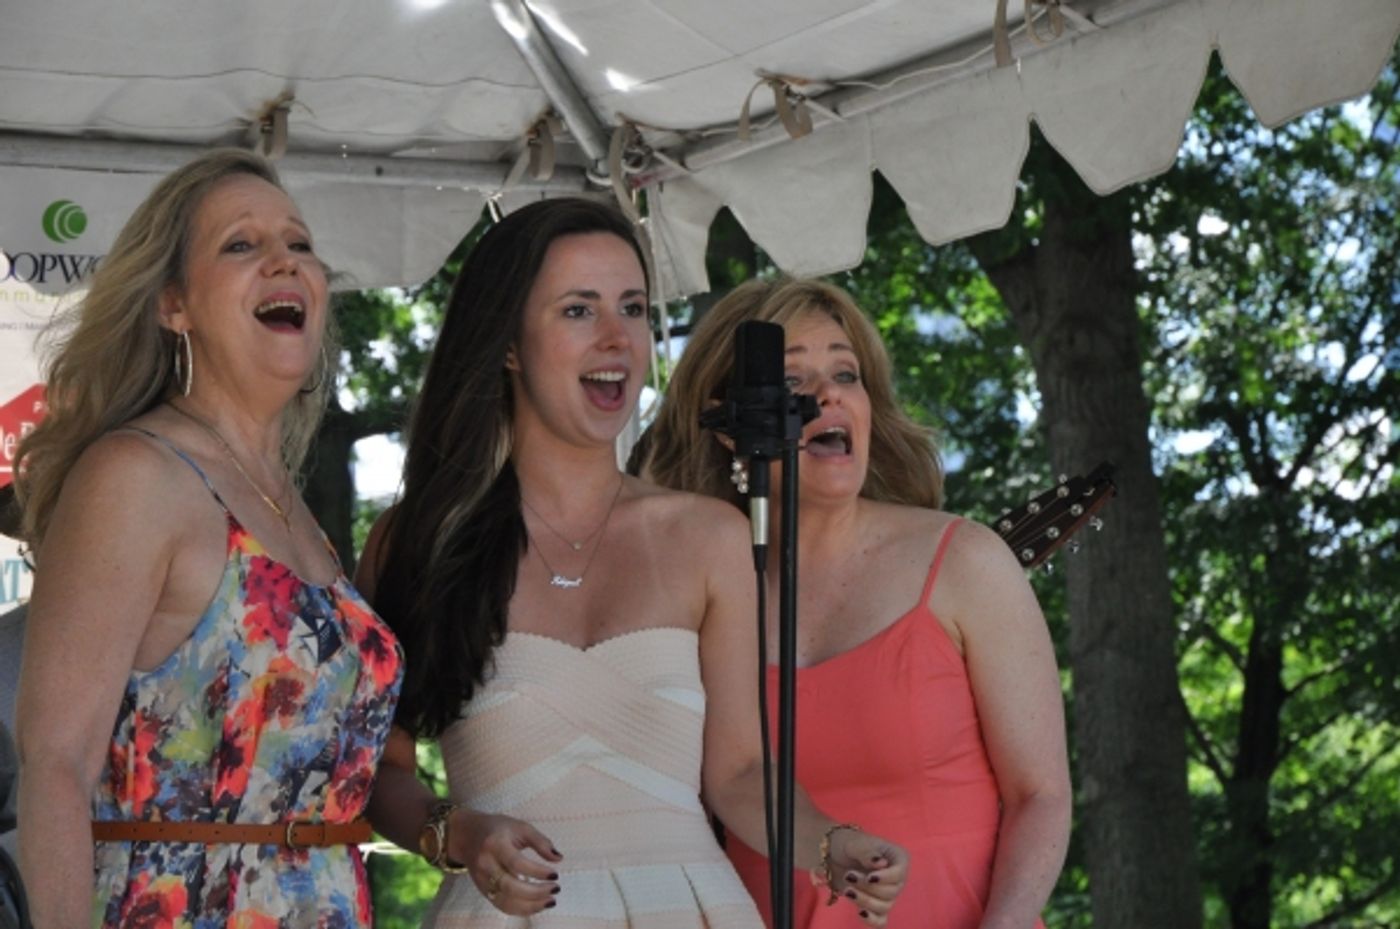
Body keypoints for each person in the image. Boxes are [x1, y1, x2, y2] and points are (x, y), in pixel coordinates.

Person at [360, 199, 909, 927]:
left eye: (634, 307)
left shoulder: (708, 535)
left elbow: (741, 773)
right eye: (579, 311)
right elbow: (372, 770)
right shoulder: (418, 540)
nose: (618, 337)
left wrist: (832, 842)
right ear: (510, 344)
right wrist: (456, 833)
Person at [12, 149, 403, 928]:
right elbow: (53, 767)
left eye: (298, 244)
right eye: (242, 244)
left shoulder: (286, 498)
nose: (284, 261)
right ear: (173, 305)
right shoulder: (136, 473)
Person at [638, 278, 1072, 929]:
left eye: (847, 371)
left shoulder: (966, 561)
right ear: (732, 428)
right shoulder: (699, 589)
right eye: (793, 379)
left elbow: (1040, 794)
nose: (828, 393)